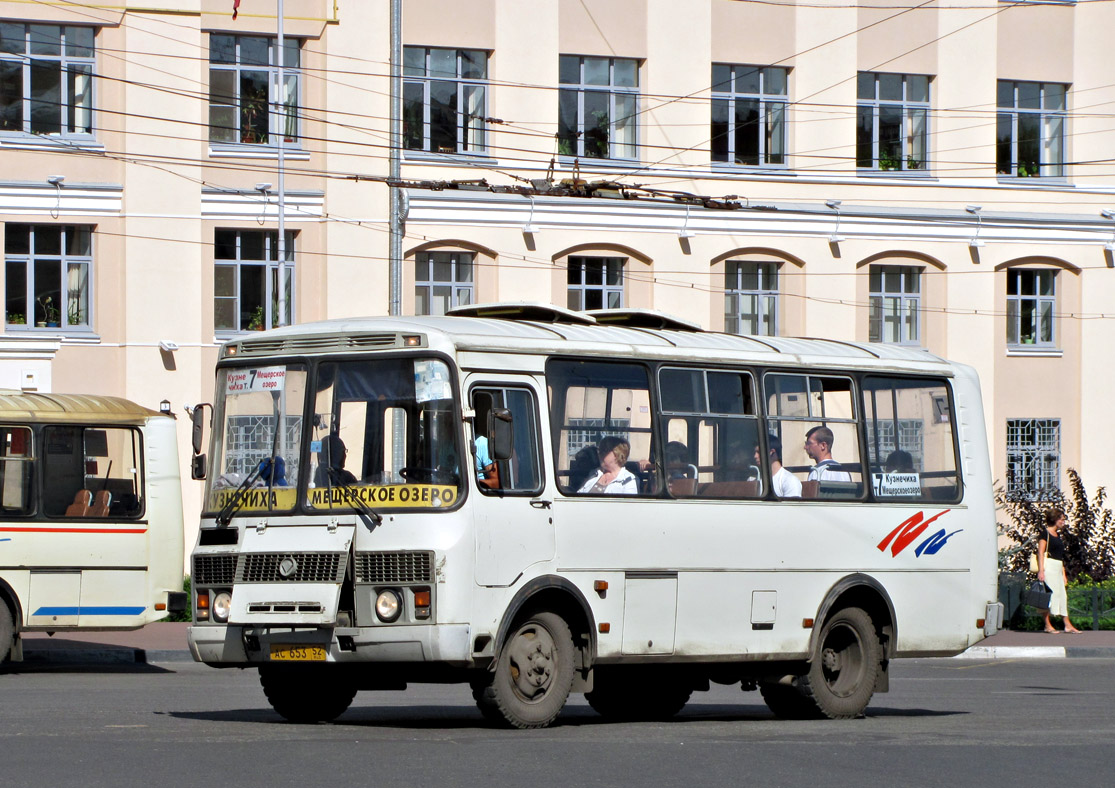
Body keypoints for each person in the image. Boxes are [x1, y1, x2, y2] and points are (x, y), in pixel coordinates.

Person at [1037, 507, 1082, 634]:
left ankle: (1067, 625)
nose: (1063, 522)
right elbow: (1040, 553)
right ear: (1055, 519)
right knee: (1049, 596)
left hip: (1057, 567)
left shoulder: (1058, 535)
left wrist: (1063, 574)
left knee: (1062, 596)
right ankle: (1047, 625)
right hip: (1048, 567)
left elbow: (1059, 556)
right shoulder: (1045, 534)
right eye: (1061, 519)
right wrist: (1041, 571)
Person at [759, 433, 801, 498]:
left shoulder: (789, 480)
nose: (755, 456)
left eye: (759, 452)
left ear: (772, 452)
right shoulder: (754, 479)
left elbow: (792, 507)